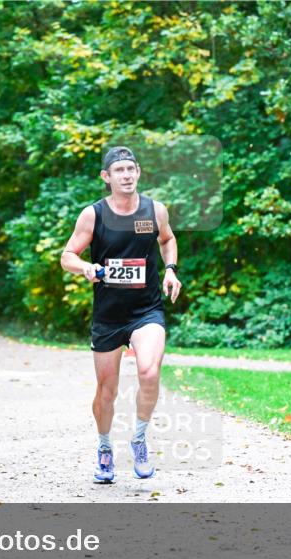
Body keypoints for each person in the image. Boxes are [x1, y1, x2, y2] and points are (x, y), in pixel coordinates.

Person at [59, 146, 181, 483]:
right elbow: (67, 255)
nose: (126, 175)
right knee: (107, 390)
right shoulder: (93, 215)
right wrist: (85, 268)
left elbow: (168, 240)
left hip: (147, 310)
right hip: (109, 316)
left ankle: (140, 439)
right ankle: (104, 448)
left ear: (138, 172)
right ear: (106, 177)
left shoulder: (154, 210)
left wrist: (170, 270)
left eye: (131, 169)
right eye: (119, 171)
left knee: (149, 371)